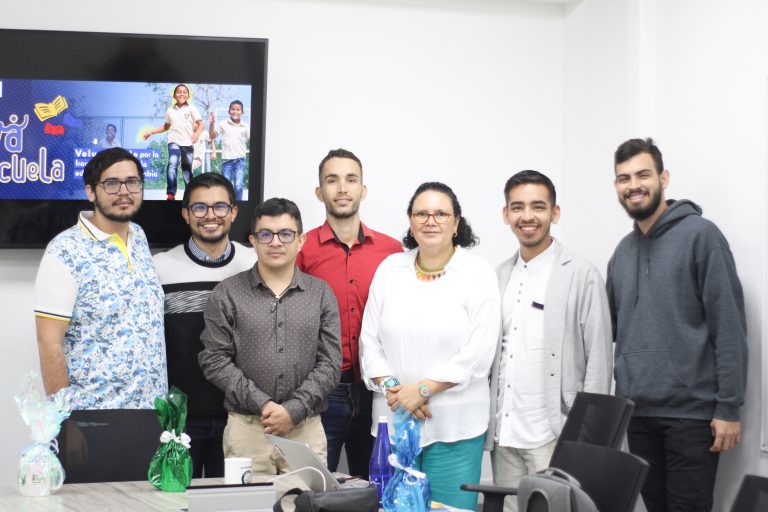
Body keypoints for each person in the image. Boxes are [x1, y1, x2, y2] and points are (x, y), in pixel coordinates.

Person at [607, 138, 747, 512]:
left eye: (642, 175)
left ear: (663, 178)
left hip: (692, 416)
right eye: (624, 178)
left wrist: (729, 408)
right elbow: (612, 331)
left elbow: (729, 327)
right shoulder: (621, 253)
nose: (633, 185)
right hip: (638, 414)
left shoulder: (701, 236)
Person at [360, 182, 500, 510]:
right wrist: (397, 391)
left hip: (454, 427)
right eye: (421, 213)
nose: (430, 221)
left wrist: (422, 390)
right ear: (411, 222)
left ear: (456, 222)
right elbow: (369, 343)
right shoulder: (389, 270)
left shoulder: (477, 273)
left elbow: (479, 352)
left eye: (441, 214)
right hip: (394, 422)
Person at [487, 170, 613, 512]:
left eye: (538, 207)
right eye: (517, 207)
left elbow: (600, 361)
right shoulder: (499, 275)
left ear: (554, 213)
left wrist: (588, 439)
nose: (527, 216)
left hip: (555, 434)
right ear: (506, 214)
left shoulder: (581, 274)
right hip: (506, 434)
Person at [199, 198, 342, 476]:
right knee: (247, 502)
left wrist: (294, 409)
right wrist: (263, 404)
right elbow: (214, 359)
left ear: (301, 240)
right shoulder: (228, 292)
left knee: (305, 500)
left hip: (305, 429)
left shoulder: (321, 293)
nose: (275, 242)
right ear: (253, 240)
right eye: (266, 234)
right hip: (247, 430)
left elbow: (331, 363)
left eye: (285, 234)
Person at [297, 148, 402, 479]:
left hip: (378, 393)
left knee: (376, 487)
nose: (342, 188)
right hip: (323, 393)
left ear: (363, 189)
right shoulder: (301, 249)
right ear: (319, 192)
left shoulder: (392, 252)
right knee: (314, 488)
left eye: (351, 179)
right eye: (332, 180)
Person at [34, 147, 166, 406]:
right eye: (111, 184)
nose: (124, 191)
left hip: (151, 412)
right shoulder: (65, 250)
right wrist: (65, 420)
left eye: (132, 182)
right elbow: (49, 344)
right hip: (94, 414)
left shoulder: (138, 237)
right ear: (90, 192)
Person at [153, 173, 256, 478]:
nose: (211, 215)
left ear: (234, 212)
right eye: (199, 207)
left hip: (240, 419)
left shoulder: (255, 264)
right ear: (186, 214)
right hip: (179, 421)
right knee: (172, 499)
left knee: (232, 500)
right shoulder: (160, 267)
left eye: (220, 206)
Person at [143, 84, 204, 200]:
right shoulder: (170, 110)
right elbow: (166, 126)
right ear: (174, 95)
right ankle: (171, 193)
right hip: (174, 142)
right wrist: (151, 132)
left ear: (188, 96)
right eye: (179, 92)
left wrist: (196, 134)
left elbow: (201, 125)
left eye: (184, 92)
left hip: (187, 143)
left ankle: (190, 193)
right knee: (172, 163)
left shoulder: (191, 108)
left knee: (186, 170)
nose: (181, 94)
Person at [209, 100, 249, 201]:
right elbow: (212, 135)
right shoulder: (223, 124)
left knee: (238, 186)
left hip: (240, 160)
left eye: (238, 110)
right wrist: (212, 124)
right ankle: (226, 205)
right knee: (226, 187)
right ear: (229, 111)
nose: (235, 111)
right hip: (227, 161)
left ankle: (238, 205)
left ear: (242, 112)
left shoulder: (245, 126)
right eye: (233, 109)